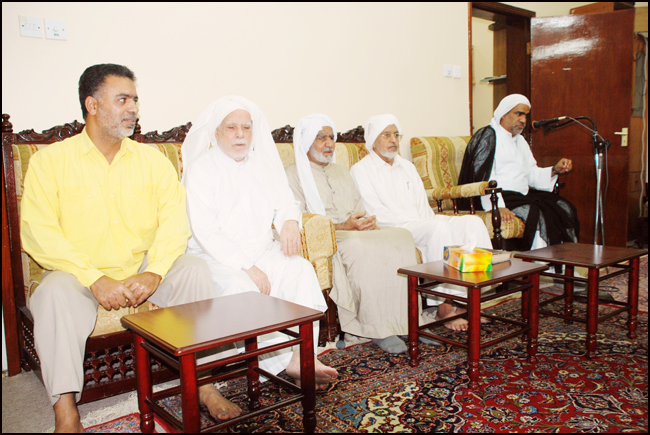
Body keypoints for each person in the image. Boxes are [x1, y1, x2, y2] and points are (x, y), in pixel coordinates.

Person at [20, 64, 241, 433]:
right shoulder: (50, 162)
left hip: (142, 266)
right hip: (79, 274)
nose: (133, 109)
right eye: (122, 100)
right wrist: (94, 278)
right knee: (52, 293)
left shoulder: (152, 160)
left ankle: (203, 383)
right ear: (92, 105)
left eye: (135, 100)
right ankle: (66, 410)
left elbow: (174, 222)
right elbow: (38, 233)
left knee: (194, 269)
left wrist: (154, 271)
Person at [182, 96, 338, 388]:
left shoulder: (262, 164)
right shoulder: (201, 169)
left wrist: (289, 222)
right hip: (218, 258)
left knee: (300, 270)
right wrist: (248, 267)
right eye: (231, 128)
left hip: (262, 249)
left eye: (246, 127)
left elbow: (286, 202)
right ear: (217, 132)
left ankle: (303, 354)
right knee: (243, 289)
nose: (240, 134)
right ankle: (281, 364)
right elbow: (206, 232)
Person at [285, 113, 420, 354]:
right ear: (306, 142)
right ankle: (374, 328)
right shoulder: (293, 174)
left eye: (331, 137)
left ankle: (405, 321)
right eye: (321, 138)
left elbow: (359, 208)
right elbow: (298, 220)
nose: (329, 143)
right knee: (361, 247)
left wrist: (367, 222)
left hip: (353, 230)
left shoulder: (341, 171)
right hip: (330, 236)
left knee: (402, 237)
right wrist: (344, 227)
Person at [350, 114, 494, 332]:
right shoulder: (361, 170)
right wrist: (424, 224)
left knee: (472, 223)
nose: (393, 140)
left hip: (421, 221)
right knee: (438, 228)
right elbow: (374, 212)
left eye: (396, 135)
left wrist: (425, 222)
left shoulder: (407, 166)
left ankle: (470, 299)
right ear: (373, 140)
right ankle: (444, 305)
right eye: (386, 135)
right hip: (393, 228)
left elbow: (422, 206)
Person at [457, 94, 579, 250]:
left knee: (563, 207)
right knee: (536, 213)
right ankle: (541, 261)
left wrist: (554, 170)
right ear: (503, 114)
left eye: (526, 115)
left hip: (521, 196)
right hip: (497, 196)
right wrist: (496, 205)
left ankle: (564, 259)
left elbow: (531, 174)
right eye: (519, 114)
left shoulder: (520, 141)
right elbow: (483, 175)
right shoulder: (488, 136)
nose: (523, 120)